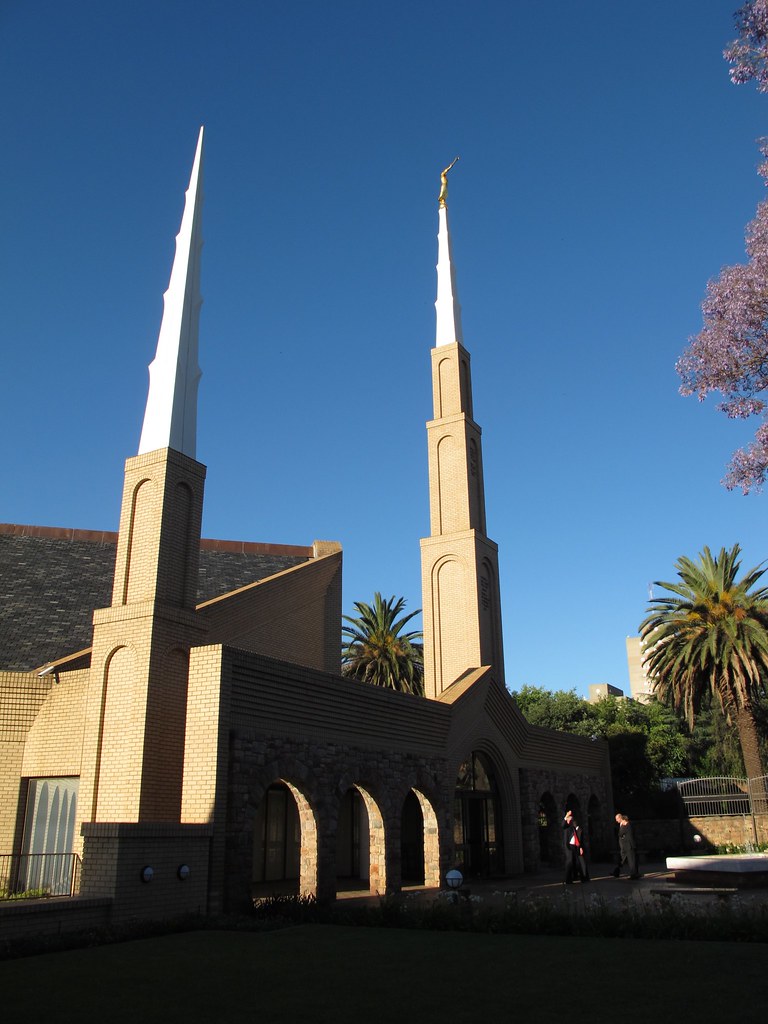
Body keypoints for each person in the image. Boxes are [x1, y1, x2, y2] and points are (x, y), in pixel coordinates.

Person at [562, 810, 589, 884]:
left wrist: (580, 847)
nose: (572, 821)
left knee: (578, 862)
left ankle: (581, 878)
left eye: (572, 820)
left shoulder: (572, 828)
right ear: (568, 820)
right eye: (570, 820)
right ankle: (568, 880)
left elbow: (577, 838)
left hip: (575, 846)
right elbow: (563, 824)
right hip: (569, 847)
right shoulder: (566, 827)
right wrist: (567, 815)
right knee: (569, 863)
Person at [613, 813, 640, 879]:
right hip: (625, 846)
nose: (616, 821)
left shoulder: (626, 826)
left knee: (631, 861)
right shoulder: (625, 825)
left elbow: (620, 834)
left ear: (621, 819)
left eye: (617, 819)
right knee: (623, 860)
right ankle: (617, 872)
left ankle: (634, 875)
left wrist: (622, 826)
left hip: (629, 846)